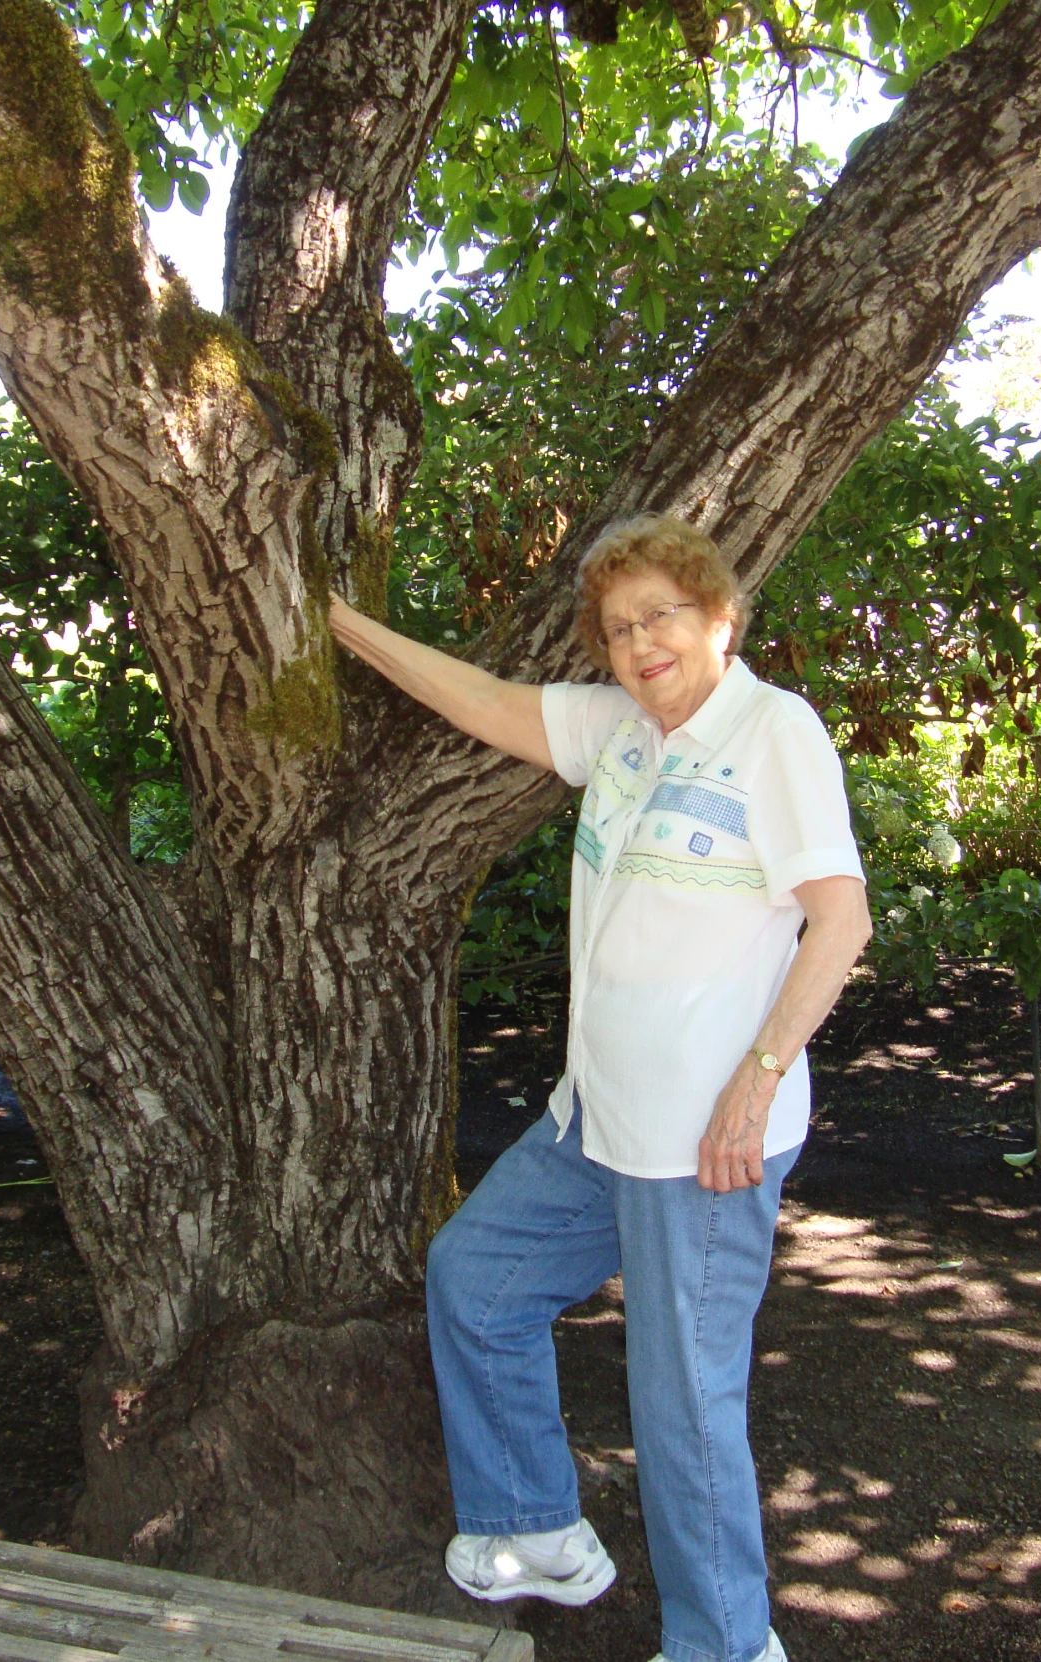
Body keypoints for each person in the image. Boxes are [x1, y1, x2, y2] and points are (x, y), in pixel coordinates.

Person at [329, 512, 871, 1662]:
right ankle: (533, 1529)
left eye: (661, 616)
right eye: (618, 628)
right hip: (595, 1122)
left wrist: (755, 1083)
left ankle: (725, 1645)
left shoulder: (773, 733)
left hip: (703, 1145)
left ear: (720, 618)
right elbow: (478, 699)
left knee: (682, 1410)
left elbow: (839, 917)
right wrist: (331, 623)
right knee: (475, 1281)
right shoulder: (621, 730)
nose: (639, 644)